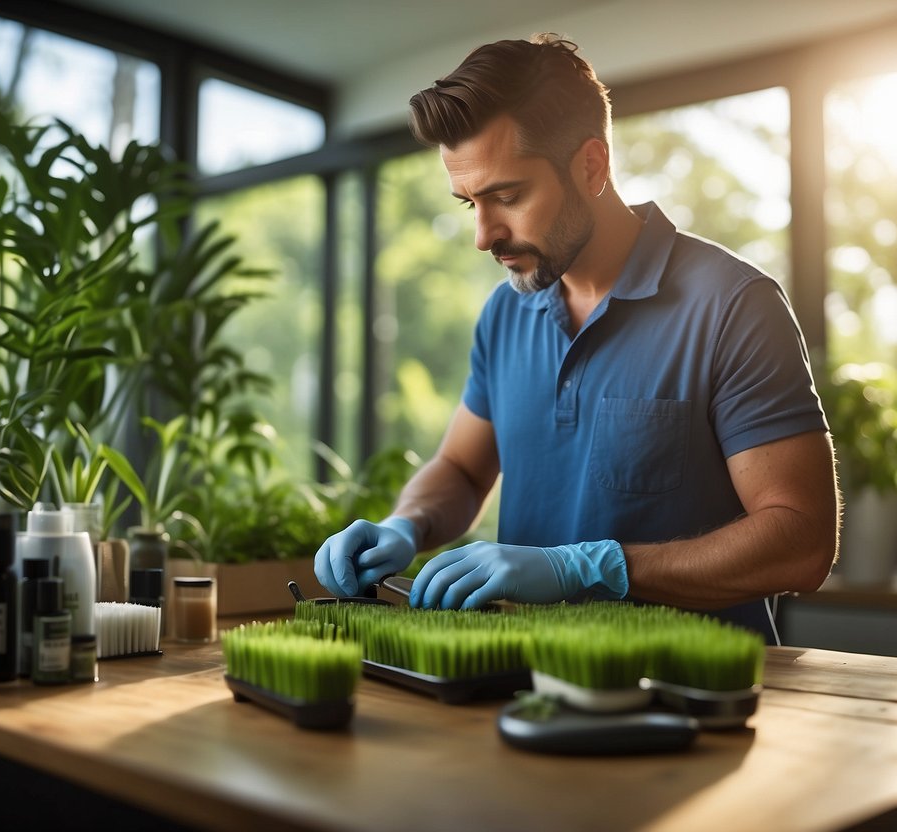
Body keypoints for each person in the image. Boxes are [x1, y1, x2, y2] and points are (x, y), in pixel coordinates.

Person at [314, 34, 839, 642]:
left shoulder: (733, 306)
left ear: (591, 166)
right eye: (470, 204)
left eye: (507, 196)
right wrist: (405, 526)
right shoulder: (505, 314)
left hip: (692, 702)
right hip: (520, 685)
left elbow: (801, 543)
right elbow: (461, 468)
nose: (484, 236)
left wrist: (588, 568)